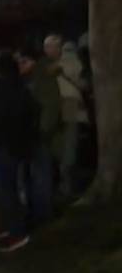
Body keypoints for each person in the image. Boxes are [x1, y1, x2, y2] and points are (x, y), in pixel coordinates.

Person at [0, 51, 40, 253]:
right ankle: (14, 228)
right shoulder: (22, 89)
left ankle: (17, 233)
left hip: (4, 147)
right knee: (12, 190)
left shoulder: (0, 92)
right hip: (18, 147)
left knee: (7, 191)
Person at [17, 46, 59, 226]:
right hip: (34, 133)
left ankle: (42, 211)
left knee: (40, 173)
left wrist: (42, 130)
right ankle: (38, 209)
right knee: (36, 173)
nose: (19, 66)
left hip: (38, 134)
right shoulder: (35, 77)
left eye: (21, 62)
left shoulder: (40, 78)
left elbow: (49, 106)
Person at [45, 34, 88, 198]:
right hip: (58, 107)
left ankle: (68, 186)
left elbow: (80, 84)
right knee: (62, 147)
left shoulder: (70, 62)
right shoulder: (51, 64)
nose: (47, 51)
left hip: (68, 106)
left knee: (68, 147)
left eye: (50, 47)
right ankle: (65, 184)